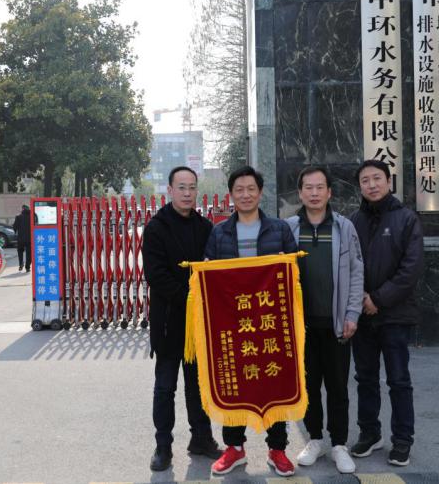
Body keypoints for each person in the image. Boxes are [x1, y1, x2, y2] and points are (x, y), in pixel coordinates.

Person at [205, 165, 299, 477]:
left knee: (275, 381)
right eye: (239, 190)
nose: (245, 195)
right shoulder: (219, 233)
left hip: (271, 322)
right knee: (234, 382)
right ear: (231, 195)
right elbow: (209, 274)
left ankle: (277, 449)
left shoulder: (279, 230)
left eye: (251, 189)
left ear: (260, 193)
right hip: (233, 322)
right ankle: (234, 448)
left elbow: (294, 273)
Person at [284, 165, 364, 474]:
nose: (314, 193)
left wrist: (352, 313)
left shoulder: (344, 227)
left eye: (320, 187)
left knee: (338, 387)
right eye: (309, 187)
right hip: (301, 326)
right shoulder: (288, 228)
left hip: (336, 324)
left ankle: (339, 444)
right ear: (300, 192)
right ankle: (315, 439)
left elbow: (356, 272)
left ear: (329, 192)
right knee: (308, 386)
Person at [142, 166, 221, 472]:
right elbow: (156, 275)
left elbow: (213, 268)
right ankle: (163, 446)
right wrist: (189, 297)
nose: (187, 193)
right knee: (165, 388)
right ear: (170, 190)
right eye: (182, 187)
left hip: (198, 322)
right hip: (168, 323)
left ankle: (201, 438)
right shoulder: (156, 227)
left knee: (198, 386)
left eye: (192, 187)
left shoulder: (205, 227)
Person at [349, 159, 424, 467]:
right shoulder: (354, 221)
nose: (372, 185)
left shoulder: (406, 219)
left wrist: (377, 299)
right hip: (362, 316)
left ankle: (402, 439)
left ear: (389, 182)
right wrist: (359, 300)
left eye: (377, 178)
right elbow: (347, 265)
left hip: (395, 314)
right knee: (365, 378)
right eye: (365, 180)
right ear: (360, 187)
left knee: (398, 380)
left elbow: (411, 269)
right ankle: (370, 433)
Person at [13, 204, 31, 272]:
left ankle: (21, 263)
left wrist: (15, 231)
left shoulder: (18, 217)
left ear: (22, 209)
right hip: (30, 239)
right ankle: (27, 267)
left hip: (20, 238)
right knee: (29, 253)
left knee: (20, 251)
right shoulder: (32, 216)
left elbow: (15, 227)